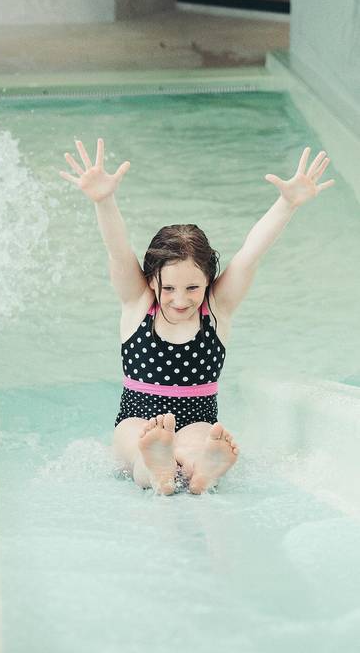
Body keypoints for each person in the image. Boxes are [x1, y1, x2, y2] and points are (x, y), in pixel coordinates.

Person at [61, 140, 334, 495]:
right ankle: (158, 468)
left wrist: (287, 203)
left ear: (208, 280)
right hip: (137, 419)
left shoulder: (216, 310)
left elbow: (250, 254)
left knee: (199, 443)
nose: (180, 300)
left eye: (193, 288)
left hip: (197, 420)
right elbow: (117, 250)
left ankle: (200, 469)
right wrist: (103, 200)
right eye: (168, 288)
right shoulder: (138, 303)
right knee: (137, 445)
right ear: (151, 280)